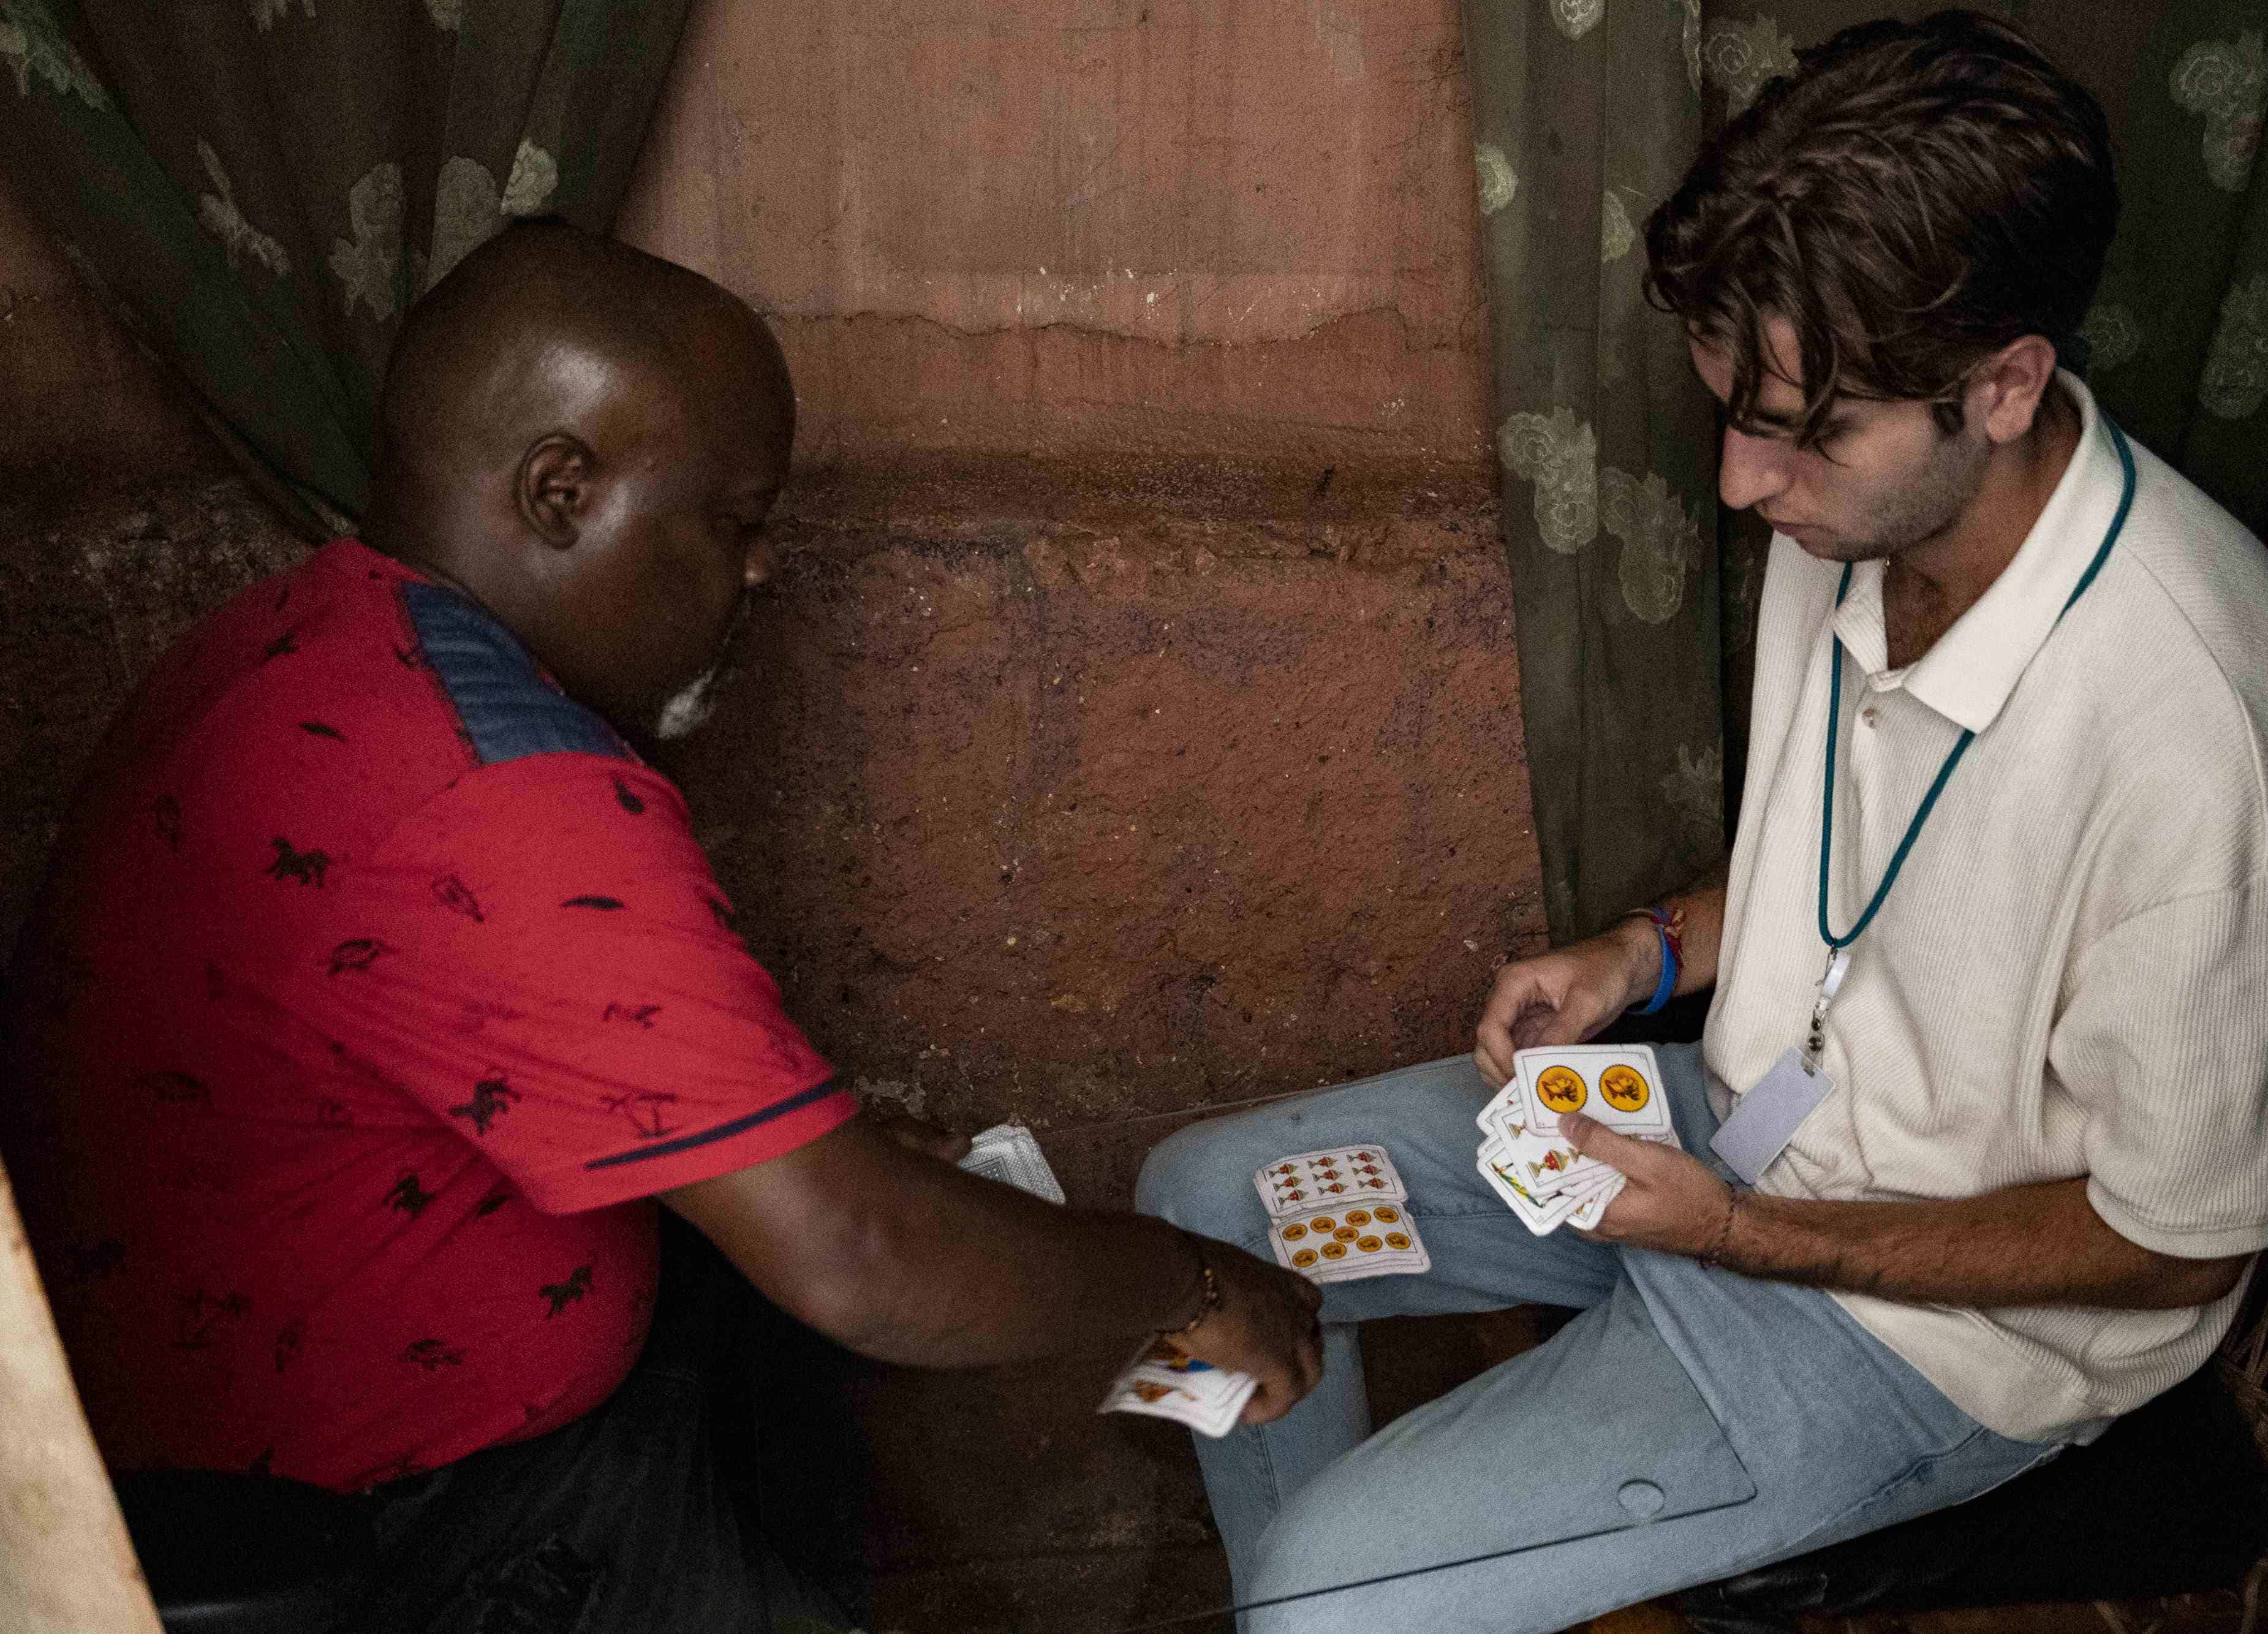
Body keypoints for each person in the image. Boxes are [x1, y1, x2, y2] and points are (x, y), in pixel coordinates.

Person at [1136, 14, 2268, 1633]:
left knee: (1321, 1597)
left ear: (2004, 387)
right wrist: (1642, 951)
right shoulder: (1858, 510)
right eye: (1735, 407)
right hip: (1738, 1122)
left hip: (1922, 1335)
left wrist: (1739, 1230)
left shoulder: (2206, 742)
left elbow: (2179, 1247)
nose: (1736, 481)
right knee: (1205, 1208)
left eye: (1798, 427)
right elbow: (1886, 866)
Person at [0, 221, 1321, 1633]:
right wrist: (1189, 1277)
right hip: (387, 1515)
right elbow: (862, 1258)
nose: (756, 576)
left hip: (286, 1389)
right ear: (561, 490)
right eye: (733, 521)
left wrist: (806, 1142)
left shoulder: (308, 631)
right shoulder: (500, 798)